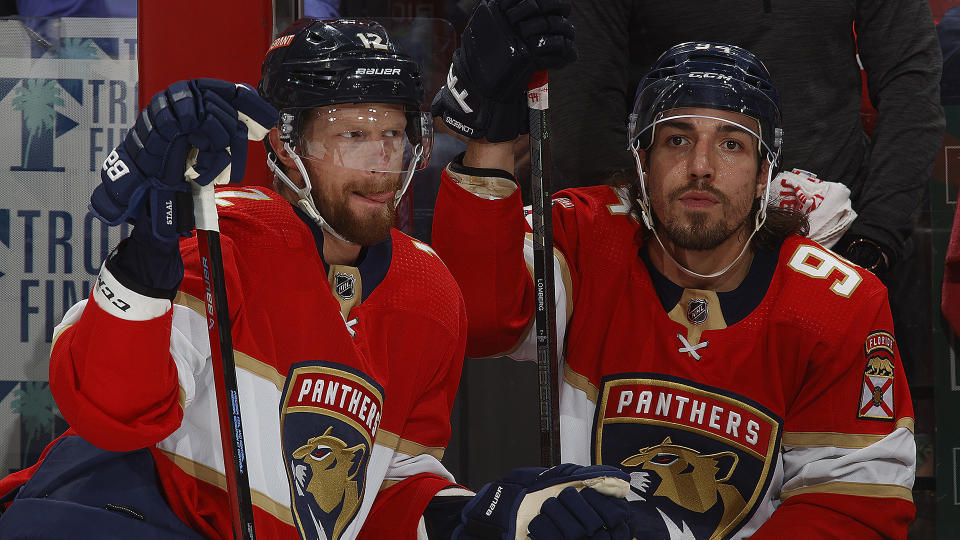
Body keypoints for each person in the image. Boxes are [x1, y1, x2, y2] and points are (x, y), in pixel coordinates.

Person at [0, 15, 635, 540]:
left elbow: (381, 484)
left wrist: (483, 518)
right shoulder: (216, 239)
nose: (382, 162)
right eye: (351, 135)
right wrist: (147, 257)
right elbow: (112, 414)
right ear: (284, 148)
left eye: (393, 134)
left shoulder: (431, 291)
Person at [432, 25, 917, 538]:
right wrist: (490, 142)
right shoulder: (586, 236)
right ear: (642, 160)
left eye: (731, 144)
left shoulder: (838, 302)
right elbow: (479, 318)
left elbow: (854, 509)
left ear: (762, 176)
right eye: (677, 139)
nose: (700, 167)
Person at [545, 1, 944, 283]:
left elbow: (911, 80)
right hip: (673, 255)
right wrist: (655, 247)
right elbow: (583, 113)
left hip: (840, 244)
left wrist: (874, 239)